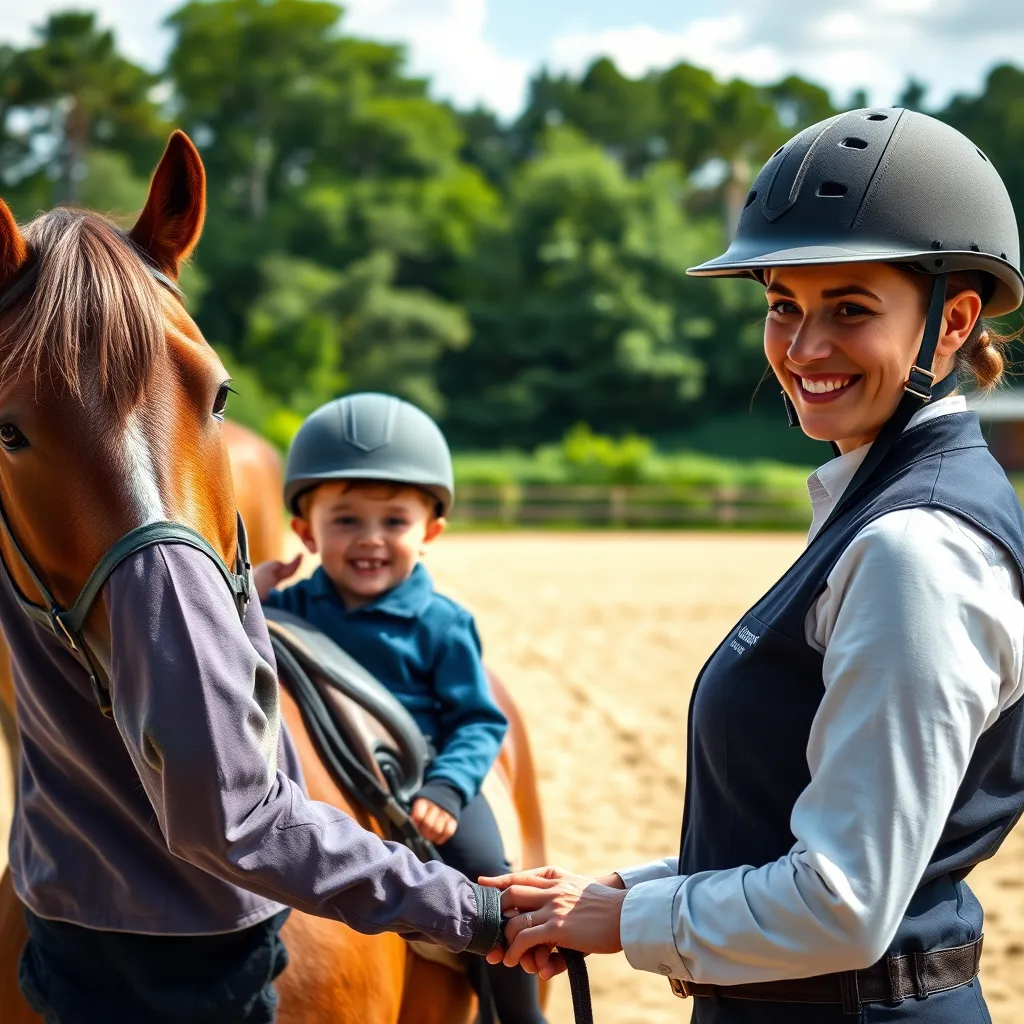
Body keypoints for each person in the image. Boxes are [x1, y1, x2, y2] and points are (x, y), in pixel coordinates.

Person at [484, 107, 1024, 1023]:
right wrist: (611, 891)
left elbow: (842, 904)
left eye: (849, 309)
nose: (803, 348)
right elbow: (791, 828)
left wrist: (623, 918)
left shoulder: (915, 550)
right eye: (783, 305)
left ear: (950, 323)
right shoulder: (878, 507)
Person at [255, 391, 547, 1024]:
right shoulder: (291, 610)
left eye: (393, 522)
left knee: (490, 878)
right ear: (305, 531)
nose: (370, 541)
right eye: (346, 521)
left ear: (430, 531)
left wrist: (446, 789)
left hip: (426, 773)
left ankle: (519, 1014)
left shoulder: (443, 624)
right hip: (331, 765)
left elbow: (478, 720)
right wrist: (245, 590)